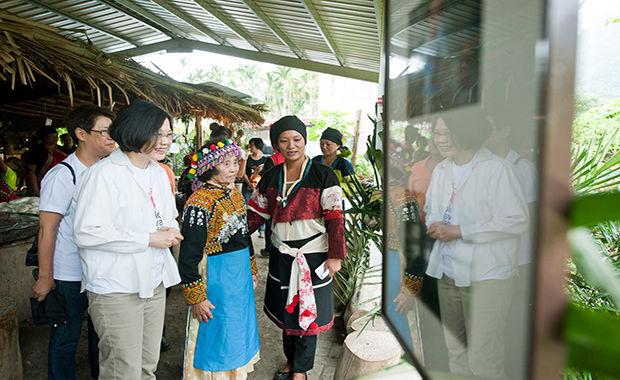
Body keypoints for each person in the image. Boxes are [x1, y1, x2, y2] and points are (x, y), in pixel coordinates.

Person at [73, 101, 183, 380]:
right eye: (157, 134)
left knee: (148, 364)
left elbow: (166, 214)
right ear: (136, 130)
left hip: (154, 281)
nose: (164, 141)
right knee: (123, 369)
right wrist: (148, 239)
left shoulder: (158, 172)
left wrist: (170, 229)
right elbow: (87, 231)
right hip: (116, 287)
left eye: (169, 135)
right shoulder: (103, 174)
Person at [424, 115, 528, 378]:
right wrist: (434, 223)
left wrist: (460, 231)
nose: (441, 140)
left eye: (447, 133)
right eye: (437, 134)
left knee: (484, 356)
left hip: (487, 276)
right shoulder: (441, 170)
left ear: (465, 130)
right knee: (456, 350)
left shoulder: (498, 169)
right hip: (448, 272)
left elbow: (515, 220)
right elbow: (431, 209)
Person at [247, 115, 346, 380]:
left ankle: (300, 369)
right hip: (282, 254)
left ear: (304, 141)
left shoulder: (322, 175)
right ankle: (291, 361)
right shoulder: (270, 176)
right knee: (287, 310)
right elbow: (257, 213)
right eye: (284, 140)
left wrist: (335, 256)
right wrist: (228, 234)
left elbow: (335, 217)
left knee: (307, 313)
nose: (291, 145)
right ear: (276, 144)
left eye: (297, 139)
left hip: (313, 256)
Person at [32, 104, 116, 379]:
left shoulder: (108, 172)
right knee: (66, 337)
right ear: (81, 133)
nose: (111, 138)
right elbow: (47, 230)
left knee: (101, 335)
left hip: (101, 270)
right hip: (70, 273)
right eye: (104, 132)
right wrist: (46, 276)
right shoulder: (63, 175)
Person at [178, 137, 260, 379]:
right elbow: (188, 255)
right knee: (217, 328)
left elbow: (245, 235)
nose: (234, 168)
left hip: (239, 275)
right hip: (215, 275)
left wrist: (252, 269)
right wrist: (196, 297)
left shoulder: (234, 193)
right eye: (225, 164)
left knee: (236, 327)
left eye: (235, 162)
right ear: (209, 167)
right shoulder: (198, 203)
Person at [22, 127, 67, 196]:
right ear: (43, 138)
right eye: (51, 136)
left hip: (59, 185)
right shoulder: (36, 152)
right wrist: (36, 190)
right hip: (40, 185)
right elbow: (31, 172)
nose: (55, 139)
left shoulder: (60, 150)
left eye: (56, 136)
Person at [242, 137, 267, 202]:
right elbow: (243, 173)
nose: (250, 146)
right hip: (247, 186)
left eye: (252, 145)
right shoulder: (247, 158)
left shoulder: (265, 160)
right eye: (249, 144)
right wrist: (250, 184)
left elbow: (266, 176)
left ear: (258, 145)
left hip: (259, 188)